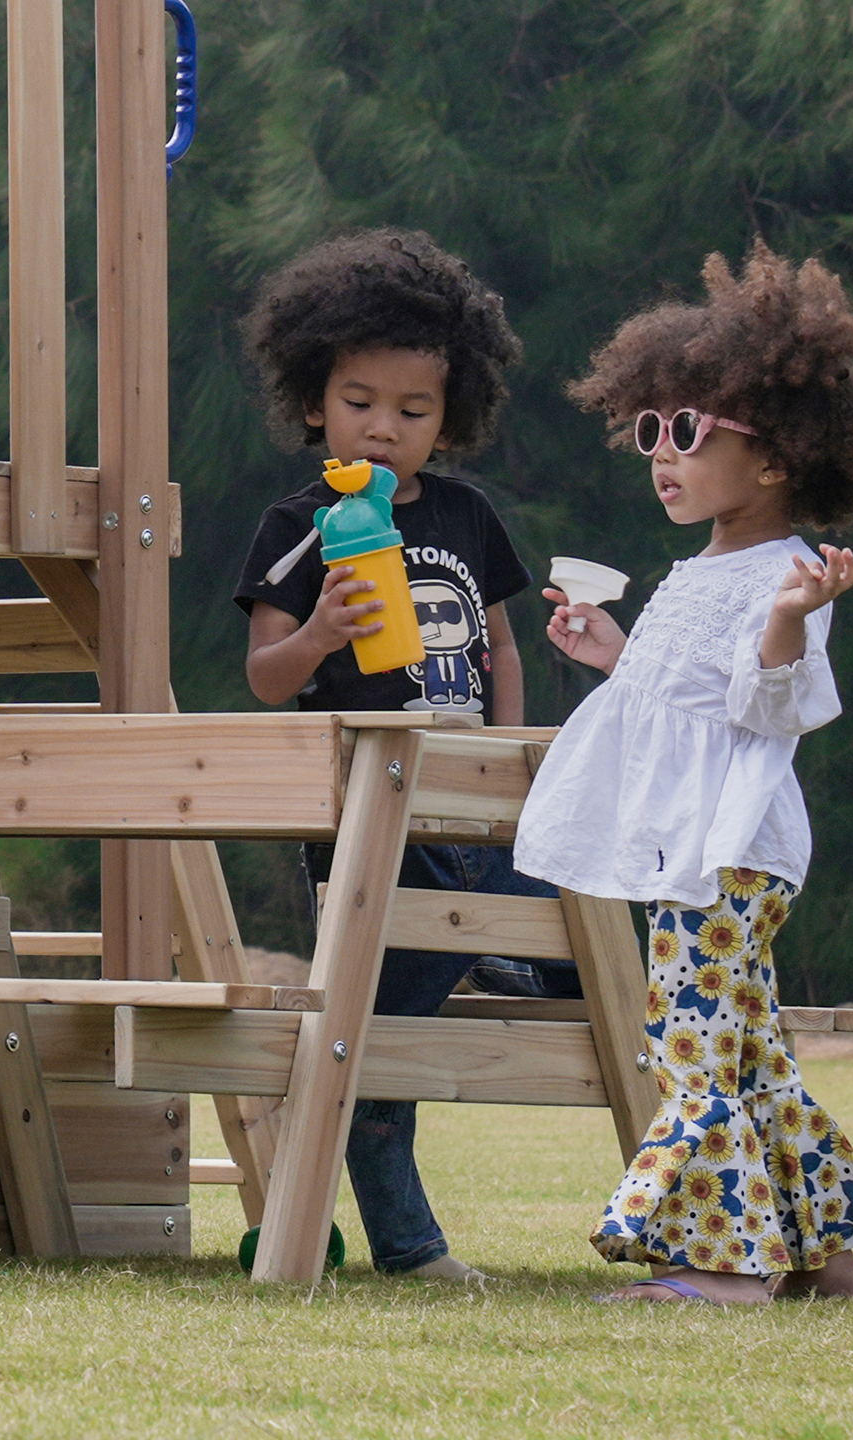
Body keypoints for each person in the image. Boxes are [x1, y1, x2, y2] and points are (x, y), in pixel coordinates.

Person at [528, 242, 853, 1306]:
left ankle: (719, 1269)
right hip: (693, 849)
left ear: (774, 461)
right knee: (745, 1051)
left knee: (692, 1047)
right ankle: (823, 1256)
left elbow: (769, 711)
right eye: (650, 432)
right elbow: (684, 704)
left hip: (723, 856)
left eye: (686, 434)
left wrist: (788, 628)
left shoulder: (783, 578)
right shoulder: (701, 568)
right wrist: (612, 654)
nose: (659, 454)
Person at [228, 226, 561, 1285]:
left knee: (581, 955)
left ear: (448, 420)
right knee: (373, 1041)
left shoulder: (465, 514)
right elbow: (265, 676)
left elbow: (499, 645)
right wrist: (321, 633)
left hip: (475, 806)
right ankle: (410, 1249)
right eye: (360, 403)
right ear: (314, 402)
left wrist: (512, 762)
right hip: (370, 820)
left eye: (413, 412)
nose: (383, 429)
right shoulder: (300, 522)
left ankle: (502, 954)